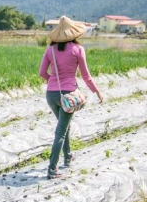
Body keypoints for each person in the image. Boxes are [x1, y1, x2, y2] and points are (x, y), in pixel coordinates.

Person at [39, 16, 104, 179]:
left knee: (63, 125)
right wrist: (96, 91)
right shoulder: (78, 49)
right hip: (68, 95)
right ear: (74, 33)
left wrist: (53, 82)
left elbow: (42, 73)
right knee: (60, 131)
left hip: (51, 95)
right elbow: (85, 75)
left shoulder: (50, 49)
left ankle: (67, 156)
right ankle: (52, 169)